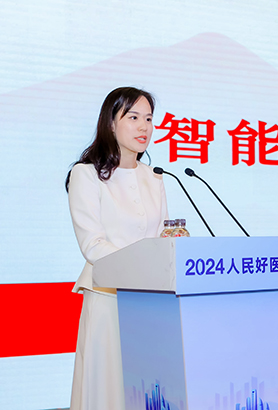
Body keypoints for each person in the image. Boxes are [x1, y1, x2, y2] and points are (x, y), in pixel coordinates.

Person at [65, 87, 168, 410]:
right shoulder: (86, 174)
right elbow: (92, 244)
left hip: (150, 301)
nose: (144, 127)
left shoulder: (155, 177)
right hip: (108, 298)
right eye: (133, 117)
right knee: (108, 389)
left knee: (147, 389)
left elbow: (161, 237)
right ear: (111, 123)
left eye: (148, 119)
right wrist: (144, 268)